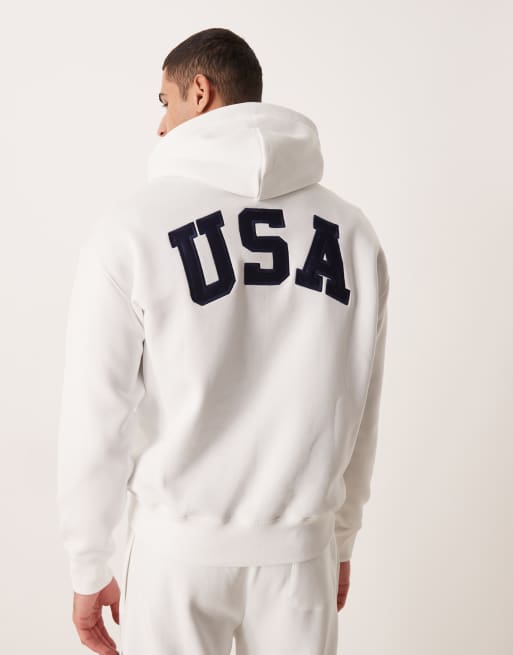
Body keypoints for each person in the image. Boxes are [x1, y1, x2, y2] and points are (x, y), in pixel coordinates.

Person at [56, 26, 390, 655]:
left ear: (201, 92)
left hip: (177, 557)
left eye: (165, 101)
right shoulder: (352, 233)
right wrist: (341, 537)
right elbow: (361, 405)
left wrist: (88, 561)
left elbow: (96, 414)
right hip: (300, 557)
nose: (160, 126)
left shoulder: (131, 230)